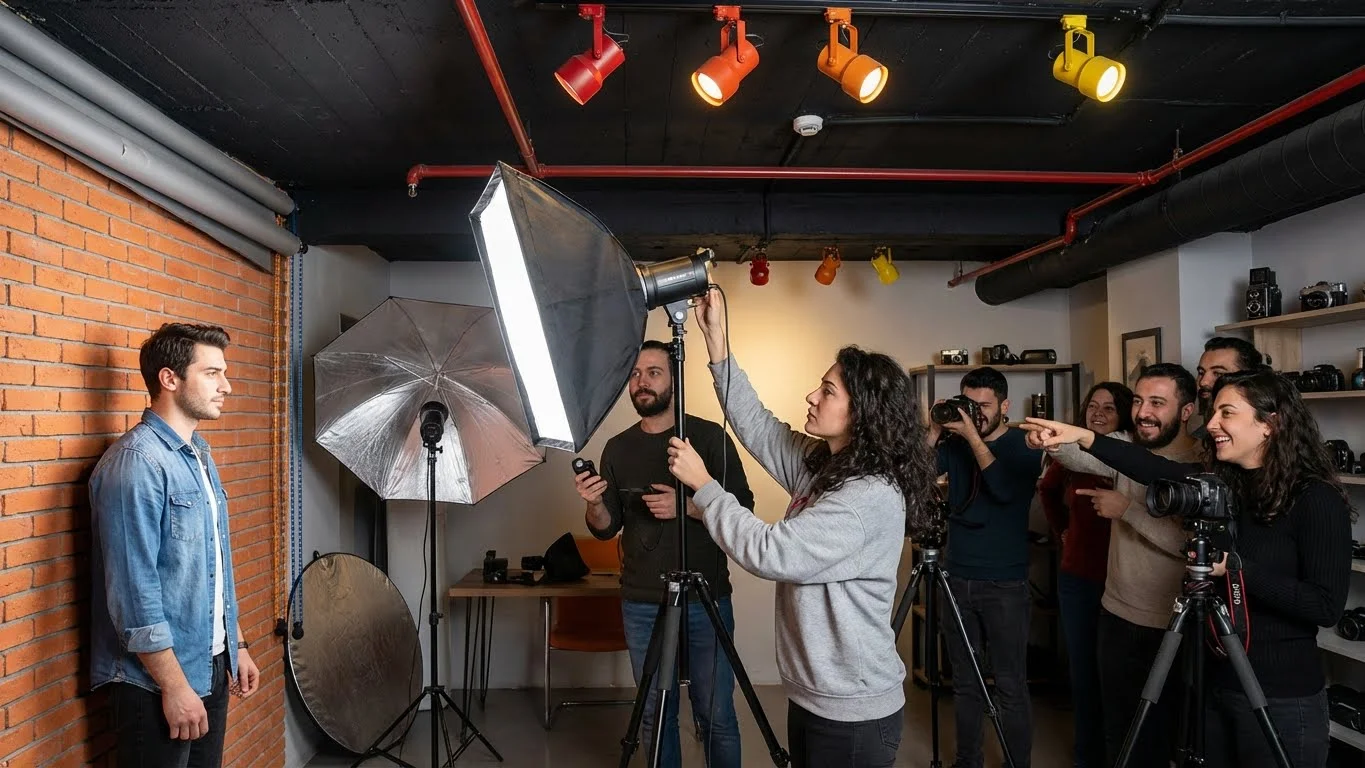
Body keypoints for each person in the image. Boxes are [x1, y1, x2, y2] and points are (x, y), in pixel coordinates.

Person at [1024, 369, 1354, 768]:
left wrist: (1234, 568)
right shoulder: (1226, 486)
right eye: (1213, 412)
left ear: (1271, 424)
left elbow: (1324, 606)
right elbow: (1149, 467)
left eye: (1226, 413)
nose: (1211, 425)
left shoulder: (1317, 500)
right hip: (1217, 683)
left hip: (1282, 695)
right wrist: (1084, 437)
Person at [665, 288, 938, 768]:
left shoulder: (866, 497)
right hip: (816, 697)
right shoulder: (828, 468)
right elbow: (759, 427)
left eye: (828, 391)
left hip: (852, 714)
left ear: (863, 412)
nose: (812, 396)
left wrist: (705, 488)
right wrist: (717, 342)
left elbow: (772, 552)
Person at [574, 339, 752, 768]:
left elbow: (744, 508)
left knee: (717, 715)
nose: (641, 382)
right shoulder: (617, 448)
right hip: (641, 599)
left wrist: (688, 506)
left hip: (706, 598)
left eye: (653, 372)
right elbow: (606, 529)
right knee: (655, 714)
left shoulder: (708, 438)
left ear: (674, 379)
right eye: (635, 374)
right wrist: (594, 503)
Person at [89, 323, 260, 768]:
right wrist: (174, 686)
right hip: (156, 684)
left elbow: (212, 563)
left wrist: (237, 644)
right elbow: (133, 591)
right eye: (212, 373)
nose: (226, 385)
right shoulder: (137, 463)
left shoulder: (199, 453)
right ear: (170, 379)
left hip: (209, 664)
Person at [1028, 362, 1202, 767]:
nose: (1143, 411)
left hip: (1170, 622)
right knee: (1116, 725)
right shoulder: (1127, 447)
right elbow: (1082, 459)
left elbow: (1192, 547)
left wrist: (1128, 511)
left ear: (1188, 410)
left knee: (1163, 732)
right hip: (1116, 611)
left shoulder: (1201, 464)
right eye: (1140, 399)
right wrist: (1052, 441)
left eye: (1157, 402)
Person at [926, 367, 1042, 768]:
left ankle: (1016, 764)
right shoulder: (955, 442)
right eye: (968, 404)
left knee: (1010, 684)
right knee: (965, 682)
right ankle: (967, 761)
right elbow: (918, 477)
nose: (975, 414)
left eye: (984, 407)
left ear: (1005, 406)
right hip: (957, 574)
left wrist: (971, 435)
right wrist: (935, 429)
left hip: (1004, 582)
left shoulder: (1024, 444)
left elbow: (1004, 490)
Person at [1037, 381, 1134, 768]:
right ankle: (1087, 756)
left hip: (1123, 578)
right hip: (1079, 575)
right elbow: (1047, 490)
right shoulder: (1074, 455)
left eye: (1108, 408)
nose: (1097, 412)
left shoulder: (1133, 455)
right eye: (1092, 405)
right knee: (1084, 672)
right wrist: (1064, 532)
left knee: (1118, 676)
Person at [1192, 337, 1264, 438]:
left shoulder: (1272, 436)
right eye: (1201, 373)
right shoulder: (1199, 438)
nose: (1203, 382)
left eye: (1218, 373)